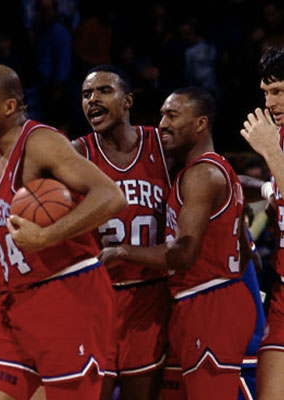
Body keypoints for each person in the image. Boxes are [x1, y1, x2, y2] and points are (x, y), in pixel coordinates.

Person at [0, 64, 125, 399]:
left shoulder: (39, 142)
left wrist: (48, 236)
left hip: (68, 295)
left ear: (8, 107)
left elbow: (110, 196)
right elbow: (12, 242)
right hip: (16, 301)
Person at [101, 87, 256, 399]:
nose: (162, 124)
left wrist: (122, 251)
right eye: (161, 115)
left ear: (200, 123)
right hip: (203, 299)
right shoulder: (208, 169)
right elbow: (243, 249)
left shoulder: (201, 175)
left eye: (172, 115)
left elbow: (183, 253)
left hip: (210, 302)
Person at [73, 65, 172, 400]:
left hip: (149, 296)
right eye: (86, 94)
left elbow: (210, 167)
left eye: (103, 91)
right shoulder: (77, 153)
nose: (93, 100)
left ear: (127, 100)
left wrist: (252, 188)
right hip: (96, 299)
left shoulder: (161, 145)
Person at [240, 45, 284, 400]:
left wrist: (270, 151)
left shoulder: (274, 144)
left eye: (279, 91)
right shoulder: (280, 137)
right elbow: (275, 195)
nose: (269, 103)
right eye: (266, 93)